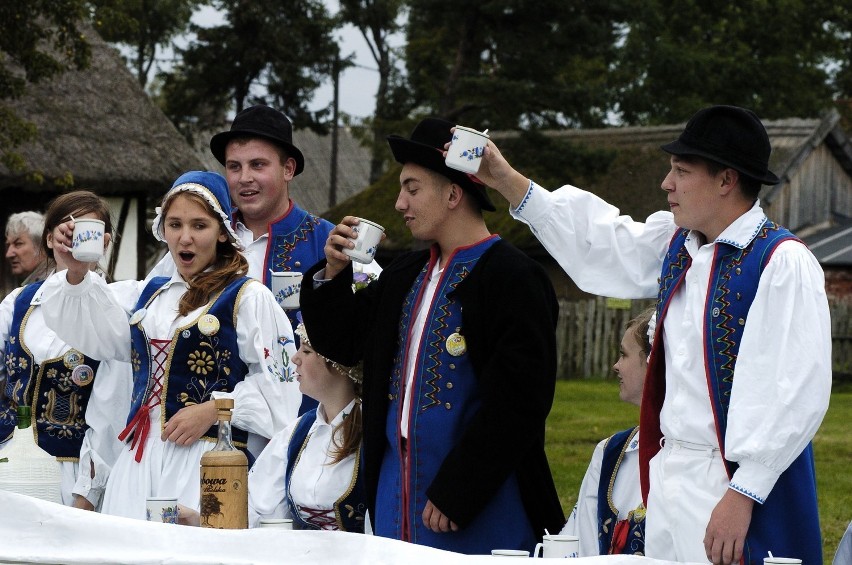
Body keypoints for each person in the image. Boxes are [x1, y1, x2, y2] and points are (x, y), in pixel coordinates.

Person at [473, 105, 832, 564]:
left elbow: (795, 389)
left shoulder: (780, 262)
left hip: (735, 485)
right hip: (669, 478)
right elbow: (602, 244)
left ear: (726, 180)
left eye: (682, 171)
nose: (667, 184)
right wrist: (507, 180)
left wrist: (744, 493)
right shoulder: (676, 245)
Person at [299, 117, 564, 554]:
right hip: (395, 498)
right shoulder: (404, 274)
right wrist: (332, 274)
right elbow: (342, 344)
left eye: (412, 188)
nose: (400, 203)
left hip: (478, 503)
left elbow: (520, 401)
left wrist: (461, 490)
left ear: (454, 193)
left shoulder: (514, 278)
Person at [39, 171, 301, 520]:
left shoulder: (248, 298)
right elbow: (97, 333)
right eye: (175, 225)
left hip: (206, 463)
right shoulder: (149, 297)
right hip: (138, 459)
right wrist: (75, 272)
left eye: (199, 226)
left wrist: (214, 411)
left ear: (222, 232)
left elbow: (282, 389)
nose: (185, 238)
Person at [151, 105, 381, 420]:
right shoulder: (201, 239)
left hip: (306, 425)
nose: (244, 178)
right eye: (234, 167)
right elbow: (151, 309)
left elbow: (377, 324)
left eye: (258, 165)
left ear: (288, 169)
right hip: (208, 433)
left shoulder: (331, 243)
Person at [0, 191, 130, 510]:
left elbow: (111, 414)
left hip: (69, 476)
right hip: (8, 466)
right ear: (49, 238)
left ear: (105, 242)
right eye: (66, 228)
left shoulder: (114, 310)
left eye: (87, 229)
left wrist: (86, 496)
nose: (74, 236)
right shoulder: (18, 302)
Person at [180, 314, 368, 531]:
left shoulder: (373, 433)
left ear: (339, 365)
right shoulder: (299, 433)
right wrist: (199, 520)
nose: (295, 358)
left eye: (306, 351)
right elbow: (257, 507)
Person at [561, 307, 654, 556]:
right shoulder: (610, 453)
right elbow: (577, 545)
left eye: (624, 355)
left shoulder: (703, 459)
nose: (615, 366)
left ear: (652, 363)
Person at [5, 211, 49, 285]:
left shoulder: (50, 284)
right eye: (8, 245)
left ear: (42, 247)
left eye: (18, 244)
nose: (8, 254)